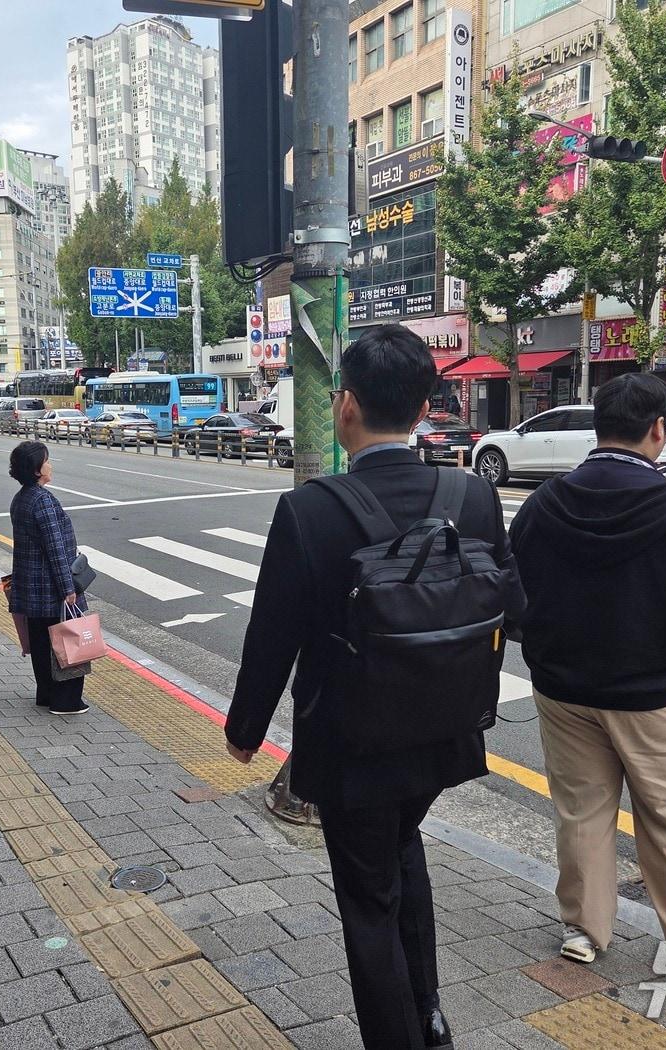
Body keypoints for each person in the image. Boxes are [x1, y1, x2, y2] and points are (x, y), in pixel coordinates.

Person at [224, 325, 524, 1050]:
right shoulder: (472, 496)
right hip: (445, 730)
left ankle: (400, 1034)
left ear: (346, 405)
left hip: (352, 745)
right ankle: (430, 1014)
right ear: (424, 408)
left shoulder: (310, 510)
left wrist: (245, 730)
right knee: (400, 851)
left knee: (366, 896)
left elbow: (274, 636)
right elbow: (510, 610)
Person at [508, 372, 666, 981]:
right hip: (661, 696)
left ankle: (583, 929)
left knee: (581, 812)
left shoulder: (545, 502)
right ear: (658, 430)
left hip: (565, 692)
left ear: (599, 426)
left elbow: (511, 596)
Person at [8, 441, 89, 716]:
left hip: (31, 586)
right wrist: (68, 588)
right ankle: (66, 701)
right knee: (66, 642)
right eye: (47, 461)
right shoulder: (43, 500)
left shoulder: (22, 498)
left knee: (42, 643)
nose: (50, 465)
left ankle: (46, 694)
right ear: (35, 470)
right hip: (50, 586)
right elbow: (55, 548)